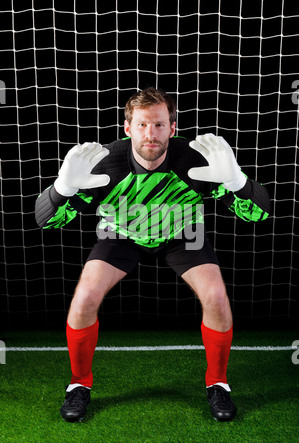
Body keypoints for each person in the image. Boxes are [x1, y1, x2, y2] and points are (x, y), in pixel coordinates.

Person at [35, 87, 270, 422]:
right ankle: (78, 385)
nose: (151, 134)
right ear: (128, 128)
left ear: (172, 128)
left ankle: (218, 382)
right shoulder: (106, 164)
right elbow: (46, 221)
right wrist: (61, 189)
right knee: (84, 297)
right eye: (143, 125)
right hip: (121, 234)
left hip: (182, 234)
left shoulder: (194, 160)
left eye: (159, 125)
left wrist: (237, 182)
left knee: (216, 295)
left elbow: (258, 214)